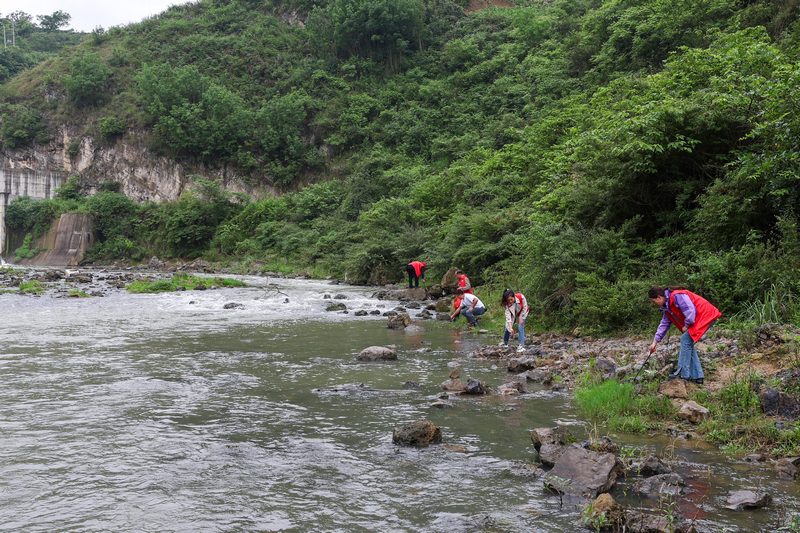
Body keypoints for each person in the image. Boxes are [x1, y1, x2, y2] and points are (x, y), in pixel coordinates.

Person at [648, 286, 722, 384]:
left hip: (706, 315)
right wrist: (655, 342)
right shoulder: (667, 307)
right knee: (688, 342)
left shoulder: (677, 296)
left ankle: (682, 374)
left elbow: (691, 311)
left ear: (659, 297)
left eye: (654, 301)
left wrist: (686, 325)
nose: (654, 304)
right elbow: (664, 324)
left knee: (685, 340)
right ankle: (697, 377)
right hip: (700, 318)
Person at [500, 289, 528, 353]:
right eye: (508, 300)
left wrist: (522, 317)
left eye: (511, 299)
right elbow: (508, 318)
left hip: (522, 312)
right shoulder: (507, 305)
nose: (510, 301)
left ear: (514, 297)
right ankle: (505, 343)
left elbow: (525, 307)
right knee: (507, 328)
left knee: (521, 326)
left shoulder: (521, 297)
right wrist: (510, 327)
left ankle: (521, 345)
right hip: (513, 314)